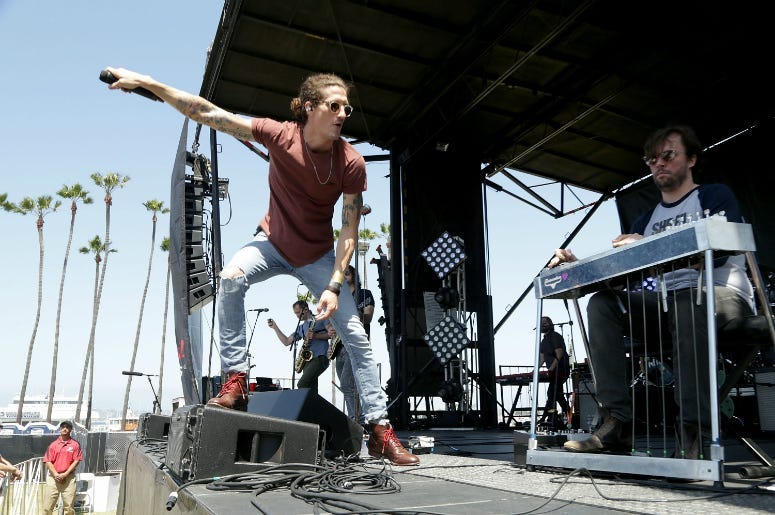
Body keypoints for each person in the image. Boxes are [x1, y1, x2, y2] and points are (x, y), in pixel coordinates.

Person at [105, 67, 419, 465]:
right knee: (231, 277)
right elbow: (205, 112)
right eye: (334, 105)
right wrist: (146, 81)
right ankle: (235, 382)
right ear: (310, 107)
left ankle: (379, 429)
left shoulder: (351, 163)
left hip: (318, 256)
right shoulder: (279, 133)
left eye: (347, 107)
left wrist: (334, 285)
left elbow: (349, 230)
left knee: (355, 335)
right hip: (270, 241)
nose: (343, 113)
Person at [551, 125, 754, 459]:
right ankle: (615, 424)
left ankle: (696, 434)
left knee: (688, 300)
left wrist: (647, 246)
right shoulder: (646, 219)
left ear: (691, 159)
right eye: (651, 159)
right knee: (603, 304)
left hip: (720, 296)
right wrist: (580, 267)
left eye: (668, 155)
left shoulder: (715, 196)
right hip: (669, 306)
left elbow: (718, 248)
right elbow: (628, 277)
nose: (658, 163)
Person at [268, 300, 330, 394]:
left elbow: (331, 334)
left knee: (302, 384)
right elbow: (287, 341)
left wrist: (315, 336)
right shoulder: (301, 327)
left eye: (298, 312)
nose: (297, 315)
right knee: (311, 389)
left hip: (320, 357)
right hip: (307, 361)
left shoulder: (321, 319)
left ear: (305, 309)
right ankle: (311, 408)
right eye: (295, 313)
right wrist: (275, 327)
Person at [537, 316, 571, 428]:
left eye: (545, 323)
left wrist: (551, 369)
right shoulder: (543, 340)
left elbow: (559, 354)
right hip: (554, 370)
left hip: (561, 369)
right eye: (541, 323)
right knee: (557, 395)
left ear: (551, 324)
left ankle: (550, 418)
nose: (543, 325)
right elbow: (542, 359)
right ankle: (569, 418)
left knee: (552, 393)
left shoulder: (555, 336)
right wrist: (535, 370)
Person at [42, 421, 82, 515]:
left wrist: (65, 474)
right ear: (60, 429)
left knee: (69, 508)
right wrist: (56, 474)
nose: (64, 429)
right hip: (53, 478)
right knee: (47, 507)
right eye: (63, 427)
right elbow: (47, 461)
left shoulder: (75, 445)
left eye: (67, 427)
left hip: (69, 478)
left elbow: (76, 461)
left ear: (71, 430)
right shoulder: (53, 445)